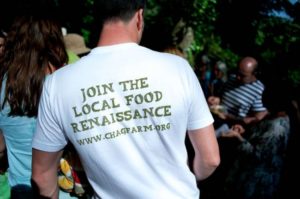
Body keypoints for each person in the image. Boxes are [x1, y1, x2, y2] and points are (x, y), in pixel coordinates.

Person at [31, 1, 220, 198]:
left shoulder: (57, 83)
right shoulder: (177, 68)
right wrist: (186, 178)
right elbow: (210, 159)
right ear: (139, 17)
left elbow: (41, 175)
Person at [0, 15, 68, 198]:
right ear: (54, 43)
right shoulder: (62, 84)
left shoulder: (3, 86)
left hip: (19, 189)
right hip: (62, 189)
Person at [221, 80, 292, 199]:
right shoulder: (272, 115)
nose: (262, 97)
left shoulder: (277, 127)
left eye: (266, 94)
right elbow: (259, 139)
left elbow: (258, 155)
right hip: (246, 176)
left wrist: (238, 138)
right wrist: (244, 133)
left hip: (255, 183)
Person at [208, 56, 268, 126]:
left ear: (255, 73)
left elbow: (256, 118)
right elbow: (222, 96)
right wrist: (217, 99)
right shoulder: (232, 78)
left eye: (242, 76)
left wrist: (229, 117)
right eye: (237, 73)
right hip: (215, 117)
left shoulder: (259, 90)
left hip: (231, 127)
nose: (237, 77)